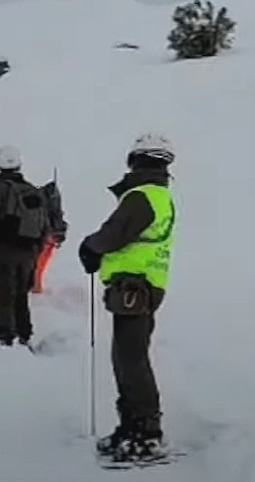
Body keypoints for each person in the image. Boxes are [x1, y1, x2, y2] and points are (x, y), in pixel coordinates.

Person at [77, 133, 176, 463]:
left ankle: (146, 433)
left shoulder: (141, 196)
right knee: (126, 357)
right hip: (141, 286)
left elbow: (116, 232)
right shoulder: (158, 195)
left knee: (131, 359)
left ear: (136, 160)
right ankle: (132, 427)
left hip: (136, 287)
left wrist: (91, 247)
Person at [0, 145, 49, 347]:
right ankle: (25, 336)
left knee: (3, 296)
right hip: (28, 253)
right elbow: (44, 227)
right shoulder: (33, 191)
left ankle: (6, 341)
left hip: (3, 251)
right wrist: (35, 253)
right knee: (21, 295)